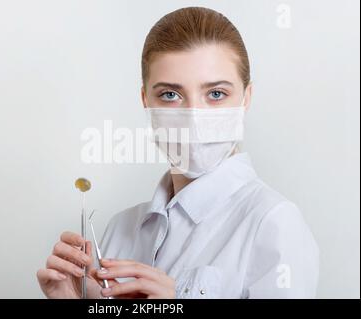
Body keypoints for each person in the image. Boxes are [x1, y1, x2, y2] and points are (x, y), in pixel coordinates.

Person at [37, 6, 319, 299]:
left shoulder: (273, 223)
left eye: (216, 94)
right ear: (146, 100)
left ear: (246, 98)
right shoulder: (120, 229)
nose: (193, 117)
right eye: (170, 95)